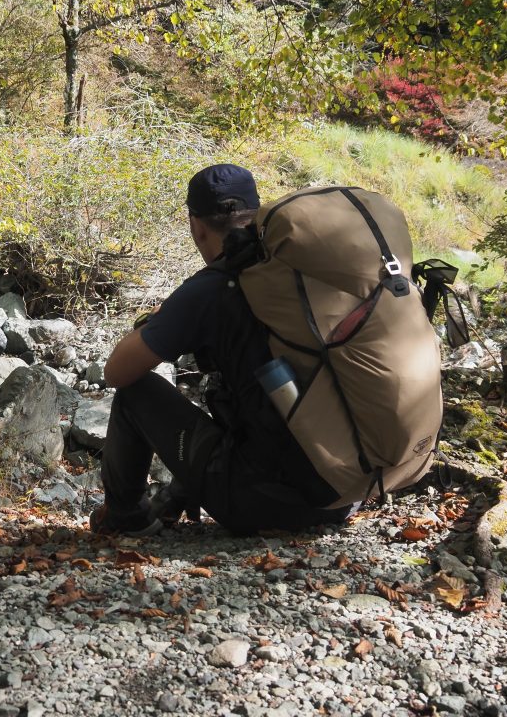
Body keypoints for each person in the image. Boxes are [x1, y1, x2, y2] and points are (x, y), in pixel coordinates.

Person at [89, 163, 357, 537]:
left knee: (137, 392)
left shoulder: (209, 290)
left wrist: (154, 321)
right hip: (345, 492)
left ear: (195, 225)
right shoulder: (299, 273)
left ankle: (126, 518)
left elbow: (116, 371)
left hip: (264, 505)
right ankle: (175, 498)